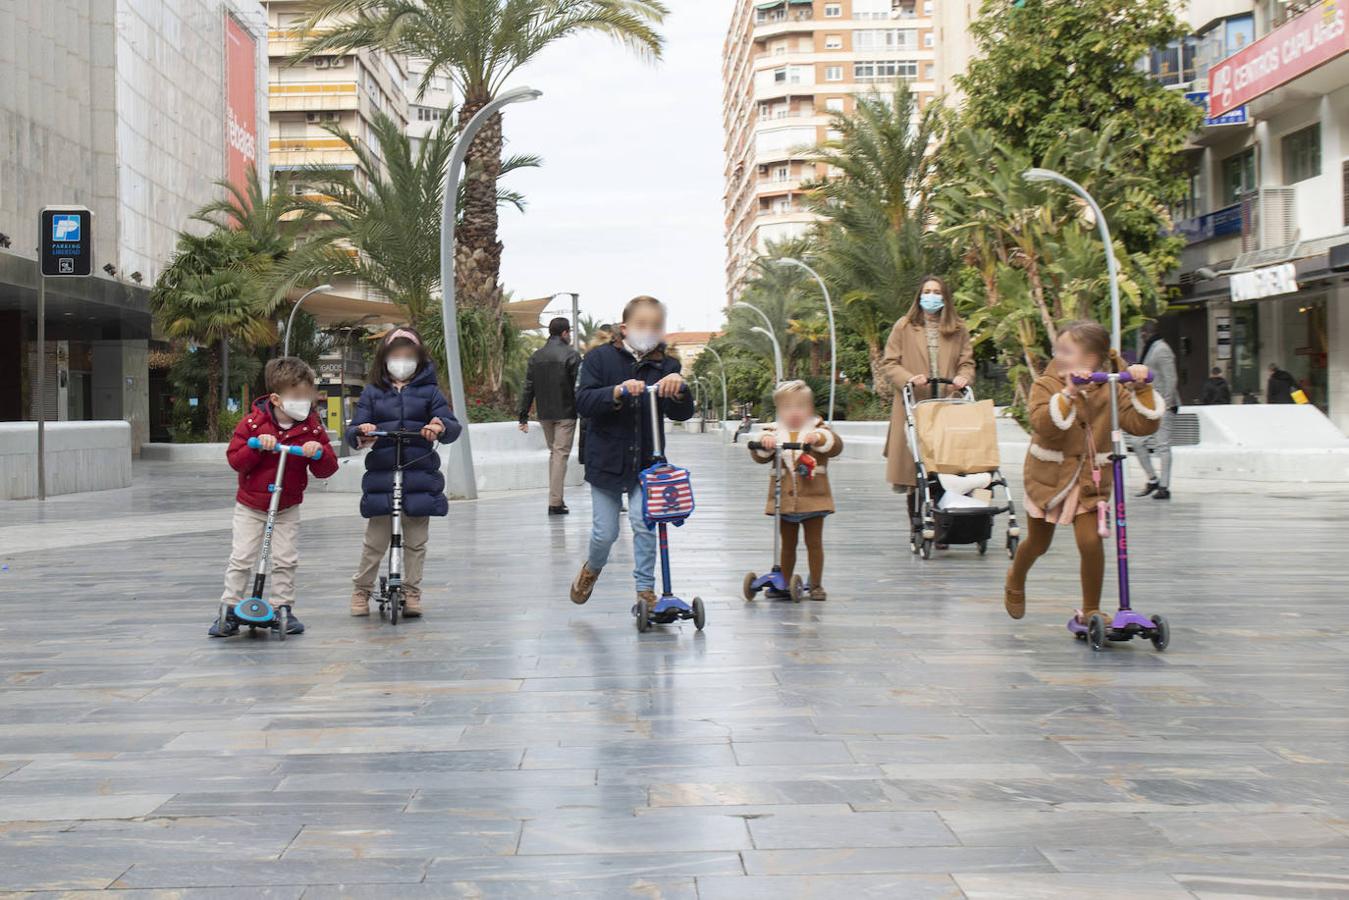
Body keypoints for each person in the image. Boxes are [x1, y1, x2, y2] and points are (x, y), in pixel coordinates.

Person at [1004, 321, 1163, 628]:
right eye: (1057, 350)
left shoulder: (1112, 388)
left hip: (1091, 481)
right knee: (1038, 543)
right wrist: (1068, 393)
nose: (1058, 356)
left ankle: (1091, 609)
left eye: (1067, 351)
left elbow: (1142, 424)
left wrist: (1142, 388)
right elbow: (1042, 423)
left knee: (1091, 542)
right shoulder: (1047, 384)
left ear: (1092, 359)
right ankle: (1016, 576)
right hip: (1049, 478)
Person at [569, 296, 694, 609]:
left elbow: (681, 413)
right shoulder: (598, 360)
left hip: (647, 465)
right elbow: (583, 402)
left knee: (644, 523)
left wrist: (679, 387)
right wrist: (616, 391)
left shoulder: (666, 365)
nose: (648, 331)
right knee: (604, 533)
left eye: (655, 325)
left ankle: (645, 591)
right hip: (607, 463)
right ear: (624, 328)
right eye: (642, 324)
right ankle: (591, 569)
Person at [212, 357, 339, 637]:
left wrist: (317, 451)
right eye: (297, 397)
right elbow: (236, 460)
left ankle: (283, 605)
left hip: (286, 505)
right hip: (251, 505)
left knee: (285, 559)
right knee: (242, 556)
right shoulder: (254, 425)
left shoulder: (312, 428)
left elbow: (327, 468)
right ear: (277, 399)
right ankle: (230, 607)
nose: (304, 403)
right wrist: (258, 448)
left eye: (307, 397)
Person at [347, 328, 462, 619]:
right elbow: (354, 428)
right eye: (395, 356)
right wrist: (362, 432)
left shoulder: (430, 392)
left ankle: (412, 591)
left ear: (419, 359)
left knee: (416, 540)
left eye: (408, 356)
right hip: (383, 475)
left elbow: (450, 424)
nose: (401, 361)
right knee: (375, 541)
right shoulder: (373, 392)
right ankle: (362, 590)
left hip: (419, 474)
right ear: (384, 359)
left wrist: (438, 427)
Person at [881, 275, 975, 525]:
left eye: (936, 292)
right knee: (915, 467)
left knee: (945, 466)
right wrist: (909, 378)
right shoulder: (904, 326)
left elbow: (967, 362)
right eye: (927, 291)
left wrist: (963, 377)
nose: (931, 296)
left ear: (944, 297)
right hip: (914, 405)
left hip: (948, 404)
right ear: (919, 296)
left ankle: (944, 522)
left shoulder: (958, 328)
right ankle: (917, 520)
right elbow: (890, 363)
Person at [749, 380, 843, 601]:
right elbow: (759, 455)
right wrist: (764, 443)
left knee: (814, 543)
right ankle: (785, 580)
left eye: (800, 407)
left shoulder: (818, 429)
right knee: (787, 544)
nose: (794, 413)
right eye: (787, 408)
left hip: (814, 499)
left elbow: (834, 445)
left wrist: (818, 438)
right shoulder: (773, 431)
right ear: (779, 410)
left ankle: (817, 583)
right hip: (784, 501)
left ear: (810, 409)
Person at [518, 317, 582, 516]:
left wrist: (523, 415)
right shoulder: (572, 355)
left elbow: (528, 386)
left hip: (544, 414)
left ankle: (557, 499)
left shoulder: (536, 356)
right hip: (566, 413)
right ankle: (555, 502)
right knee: (559, 455)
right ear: (564, 333)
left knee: (555, 455)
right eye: (569, 332)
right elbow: (578, 388)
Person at [1132, 320, 1179, 500]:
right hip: (1149, 405)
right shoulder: (1149, 349)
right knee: (1137, 442)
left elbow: (1171, 378)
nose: (1142, 336)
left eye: (1143, 333)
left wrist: (1167, 404)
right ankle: (1153, 479)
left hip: (1162, 405)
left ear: (1147, 332)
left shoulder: (1162, 349)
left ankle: (1164, 486)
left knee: (1163, 446)